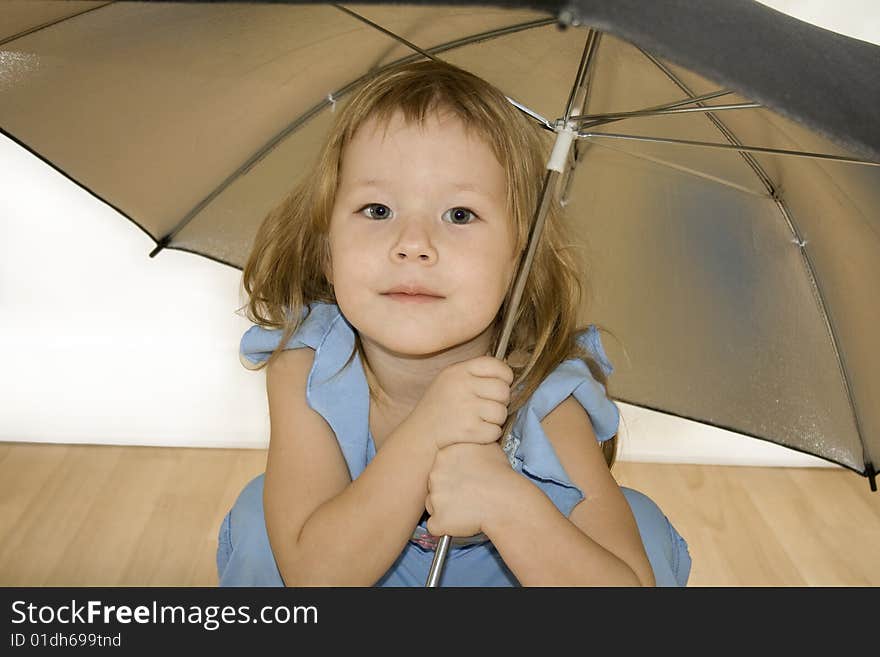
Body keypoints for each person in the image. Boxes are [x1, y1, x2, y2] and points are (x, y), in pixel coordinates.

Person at [217, 59, 691, 587]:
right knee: (264, 524)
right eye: (377, 210)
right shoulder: (309, 364)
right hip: (350, 561)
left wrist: (508, 503)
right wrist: (430, 430)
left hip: (503, 578)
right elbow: (315, 575)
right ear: (326, 251)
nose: (414, 244)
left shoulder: (544, 395)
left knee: (639, 532)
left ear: (518, 262)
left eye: (459, 215)